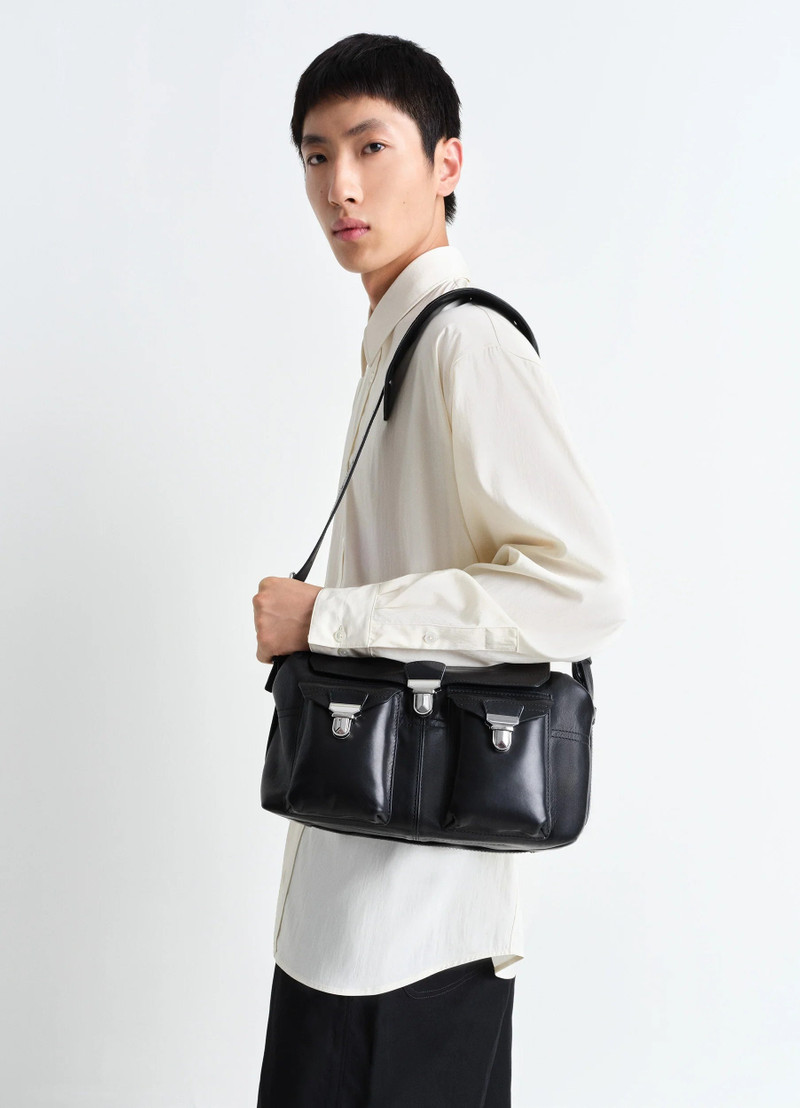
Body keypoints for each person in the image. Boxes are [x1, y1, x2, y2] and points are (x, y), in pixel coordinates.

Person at [251, 32, 631, 1108]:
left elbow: (583, 586)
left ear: (446, 161)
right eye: (316, 155)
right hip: (348, 898)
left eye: (371, 147)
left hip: (421, 923)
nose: (341, 185)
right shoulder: (395, 339)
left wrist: (329, 618)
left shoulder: (466, 343)